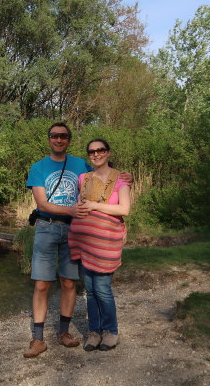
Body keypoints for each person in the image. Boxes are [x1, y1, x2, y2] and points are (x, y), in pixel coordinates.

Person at [23, 123, 132, 359]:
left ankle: (64, 332)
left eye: (63, 136)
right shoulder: (38, 167)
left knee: (70, 283)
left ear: (69, 140)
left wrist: (125, 176)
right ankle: (38, 339)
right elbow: (42, 204)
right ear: (49, 139)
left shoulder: (80, 165)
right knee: (42, 284)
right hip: (47, 228)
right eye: (54, 135)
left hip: (74, 232)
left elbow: (104, 174)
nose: (59, 139)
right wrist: (72, 211)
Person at [68, 139, 130, 352]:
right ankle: (94, 332)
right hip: (86, 243)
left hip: (106, 245)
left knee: (102, 289)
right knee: (91, 290)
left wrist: (94, 205)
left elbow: (124, 209)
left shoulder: (120, 179)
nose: (96, 154)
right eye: (92, 151)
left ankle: (111, 332)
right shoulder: (83, 178)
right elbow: (79, 203)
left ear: (108, 152)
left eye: (100, 150)